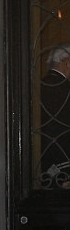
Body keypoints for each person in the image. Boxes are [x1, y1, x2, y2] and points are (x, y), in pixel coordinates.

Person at [40, 43, 70, 188]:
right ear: (67, 63)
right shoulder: (66, 90)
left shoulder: (39, 86)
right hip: (63, 162)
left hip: (42, 161)